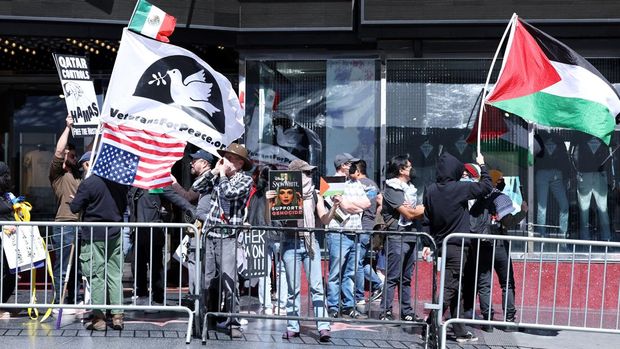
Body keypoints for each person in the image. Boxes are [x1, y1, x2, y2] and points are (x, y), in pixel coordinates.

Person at [422, 152, 492, 344]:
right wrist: (483, 166)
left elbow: (426, 220)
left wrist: (428, 244)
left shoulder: (430, 190)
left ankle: (459, 329)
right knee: (450, 287)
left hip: (442, 245)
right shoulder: (459, 188)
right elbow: (487, 186)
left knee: (456, 287)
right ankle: (430, 325)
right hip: (457, 246)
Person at [268, 159, 336, 342]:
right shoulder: (285, 193)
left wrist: (335, 207)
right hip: (290, 242)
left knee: (317, 287)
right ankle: (292, 325)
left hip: (309, 241)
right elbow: (273, 220)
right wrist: (271, 202)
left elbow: (324, 219)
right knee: (293, 289)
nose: (309, 176)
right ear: (295, 176)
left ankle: (323, 326)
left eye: (310, 173)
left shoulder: (314, 194)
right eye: (305, 173)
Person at [193, 143, 253, 338]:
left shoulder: (246, 179)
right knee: (206, 280)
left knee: (229, 281)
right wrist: (214, 173)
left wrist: (223, 175)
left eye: (230, 157)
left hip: (228, 237)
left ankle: (233, 321)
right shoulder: (219, 177)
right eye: (225, 156)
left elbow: (229, 194)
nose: (225, 160)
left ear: (239, 162)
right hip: (210, 234)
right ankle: (202, 319)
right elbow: (196, 187)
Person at [466, 169, 527, 332]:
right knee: (507, 283)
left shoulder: (478, 199)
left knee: (484, 283)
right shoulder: (501, 198)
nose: (502, 182)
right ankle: (508, 320)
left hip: (482, 245)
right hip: (499, 244)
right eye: (500, 180)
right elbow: (508, 222)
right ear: (496, 182)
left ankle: (487, 321)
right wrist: (523, 212)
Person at [69, 171, 129, 331]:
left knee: (96, 276)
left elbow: (75, 207)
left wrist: (76, 199)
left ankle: (99, 318)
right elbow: (124, 206)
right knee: (115, 275)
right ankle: (117, 316)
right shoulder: (120, 182)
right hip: (115, 233)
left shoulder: (89, 183)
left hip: (94, 234)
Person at [127, 185, 195, 309]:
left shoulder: (157, 184)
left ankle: (158, 299)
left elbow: (174, 197)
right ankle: (141, 295)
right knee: (137, 265)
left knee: (156, 266)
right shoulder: (134, 185)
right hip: (137, 231)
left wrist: (190, 209)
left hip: (154, 231)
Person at [378, 155, 425, 321]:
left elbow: (414, 212)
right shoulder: (392, 188)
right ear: (401, 170)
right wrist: (420, 209)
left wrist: (416, 210)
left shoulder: (410, 188)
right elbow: (409, 213)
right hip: (397, 235)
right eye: (409, 166)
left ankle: (406, 311)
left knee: (406, 277)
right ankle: (385, 310)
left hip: (411, 235)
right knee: (393, 275)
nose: (412, 169)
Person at [325, 153, 371, 319]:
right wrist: (353, 206)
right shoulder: (330, 182)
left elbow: (367, 203)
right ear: (343, 165)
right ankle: (332, 305)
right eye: (350, 163)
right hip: (338, 232)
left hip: (355, 231)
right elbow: (342, 206)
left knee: (350, 271)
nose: (353, 166)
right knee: (336, 272)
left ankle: (348, 305)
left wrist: (353, 205)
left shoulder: (355, 182)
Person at [49, 115, 83, 305]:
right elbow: (59, 150)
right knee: (63, 266)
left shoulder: (79, 175)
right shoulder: (57, 175)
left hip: (81, 225)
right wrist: (68, 127)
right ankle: (59, 300)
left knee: (78, 267)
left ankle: (74, 298)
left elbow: (90, 153)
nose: (75, 158)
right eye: (72, 155)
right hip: (64, 225)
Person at [245, 164, 287, 316]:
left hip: (260, 235)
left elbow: (251, 216)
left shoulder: (256, 195)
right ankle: (282, 305)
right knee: (282, 271)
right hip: (278, 234)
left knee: (263, 272)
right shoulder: (282, 193)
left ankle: (266, 305)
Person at [349, 160, 384, 313]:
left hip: (360, 226)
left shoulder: (356, 184)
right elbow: (380, 204)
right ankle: (378, 284)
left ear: (357, 170)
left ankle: (359, 296)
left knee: (356, 262)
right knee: (361, 261)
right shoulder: (373, 184)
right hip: (369, 226)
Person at [0, 162, 17, 306]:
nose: (9, 178)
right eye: (6, 175)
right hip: (2, 237)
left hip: (9, 241)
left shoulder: (7, 195)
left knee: (11, 273)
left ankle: (3, 301)